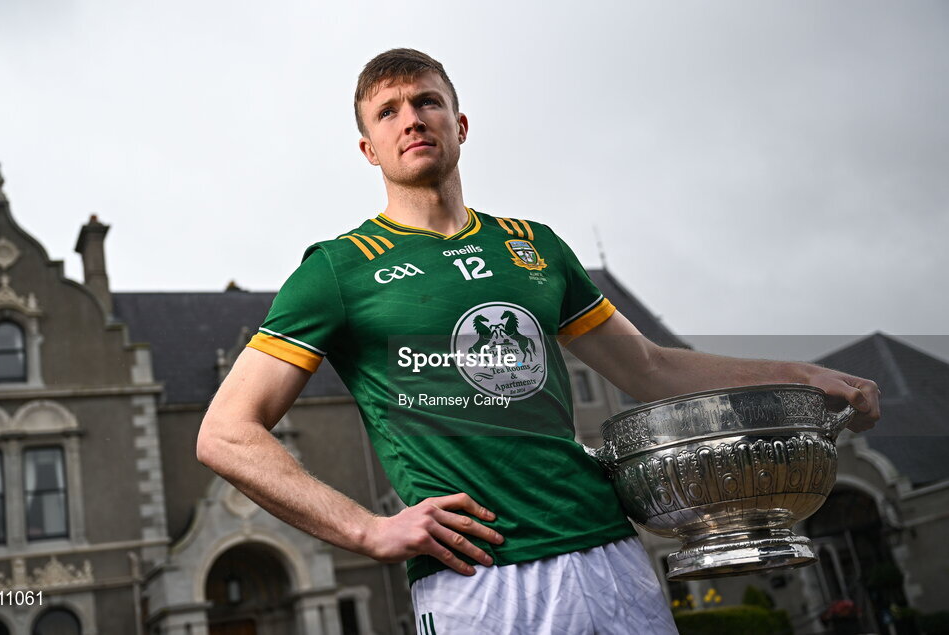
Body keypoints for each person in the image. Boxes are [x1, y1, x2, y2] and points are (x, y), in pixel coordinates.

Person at [196, 48, 881, 634]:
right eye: (389, 110)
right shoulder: (338, 269)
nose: (412, 118)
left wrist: (796, 375)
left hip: (608, 550)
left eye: (427, 102)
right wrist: (364, 529)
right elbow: (226, 432)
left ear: (458, 124)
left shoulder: (534, 246)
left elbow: (648, 366)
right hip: (479, 576)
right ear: (367, 148)